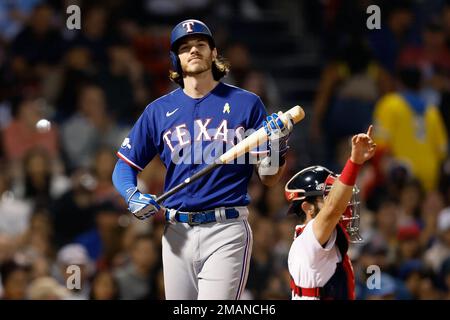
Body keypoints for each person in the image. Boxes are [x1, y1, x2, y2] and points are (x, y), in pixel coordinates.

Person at [112, 19, 293, 300]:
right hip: (176, 232)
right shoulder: (158, 111)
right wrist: (131, 194)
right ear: (176, 58)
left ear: (213, 52)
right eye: (185, 47)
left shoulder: (246, 103)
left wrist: (276, 145)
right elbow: (124, 165)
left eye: (200, 44)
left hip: (226, 229)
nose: (193, 50)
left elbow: (269, 178)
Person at [284, 126, 376, 300]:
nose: (343, 201)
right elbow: (333, 208)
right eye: (327, 196)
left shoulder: (322, 239)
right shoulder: (308, 238)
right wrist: (354, 161)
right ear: (308, 208)